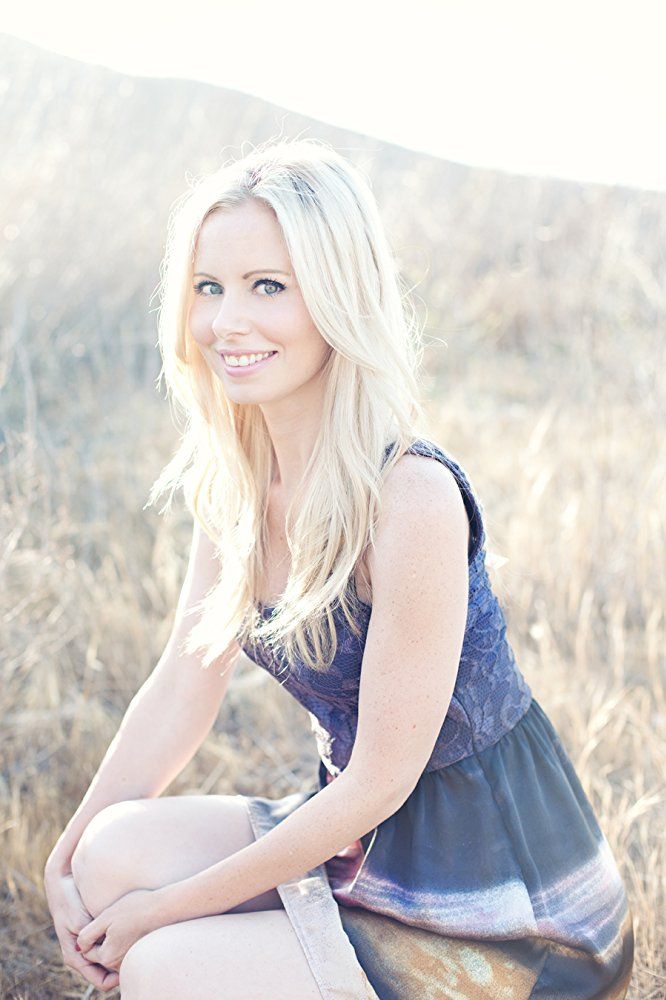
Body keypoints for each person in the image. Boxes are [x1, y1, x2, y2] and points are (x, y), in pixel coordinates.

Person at [43, 137, 634, 999]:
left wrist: (164, 912)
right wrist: (62, 858)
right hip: (361, 846)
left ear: (338, 297)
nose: (226, 322)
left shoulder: (411, 496)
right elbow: (181, 685)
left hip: (498, 899)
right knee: (107, 858)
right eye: (209, 286)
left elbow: (378, 783)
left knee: (161, 967)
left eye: (267, 287)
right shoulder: (239, 482)